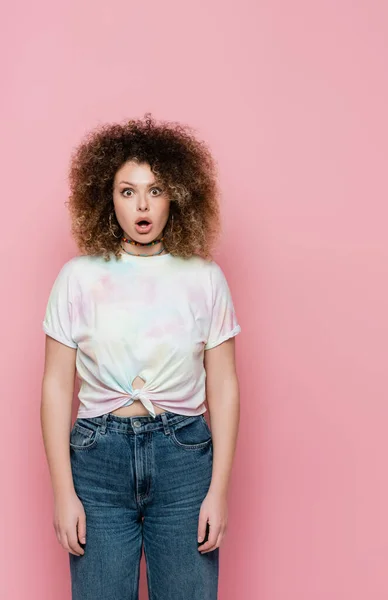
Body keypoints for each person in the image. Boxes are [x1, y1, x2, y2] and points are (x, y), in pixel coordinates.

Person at [40, 113, 241, 600]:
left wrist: (218, 490)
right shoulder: (77, 277)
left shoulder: (204, 277)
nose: (142, 205)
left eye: (155, 190)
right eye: (127, 191)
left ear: (178, 195)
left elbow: (225, 386)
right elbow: (55, 387)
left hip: (184, 457)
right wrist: (63, 493)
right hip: (97, 458)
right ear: (106, 199)